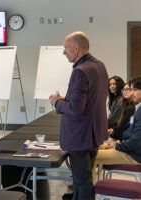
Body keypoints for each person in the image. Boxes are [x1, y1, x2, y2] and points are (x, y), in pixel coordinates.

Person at [49, 31, 108, 200]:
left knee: (82, 182)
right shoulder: (99, 65)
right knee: (85, 178)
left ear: (76, 48)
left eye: (65, 48)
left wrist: (56, 102)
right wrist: (65, 99)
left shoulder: (80, 71)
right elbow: (90, 100)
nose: (63, 52)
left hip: (79, 136)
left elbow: (76, 109)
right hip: (94, 134)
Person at [92, 76, 141, 181]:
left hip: (134, 154)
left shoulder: (137, 110)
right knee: (93, 149)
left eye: (134, 90)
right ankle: (86, 189)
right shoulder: (137, 108)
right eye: (130, 89)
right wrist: (117, 142)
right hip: (130, 148)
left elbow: (136, 140)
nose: (131, 93)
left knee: (90, 156)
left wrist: (116, 146)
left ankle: (86, 193)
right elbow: (130, 134)